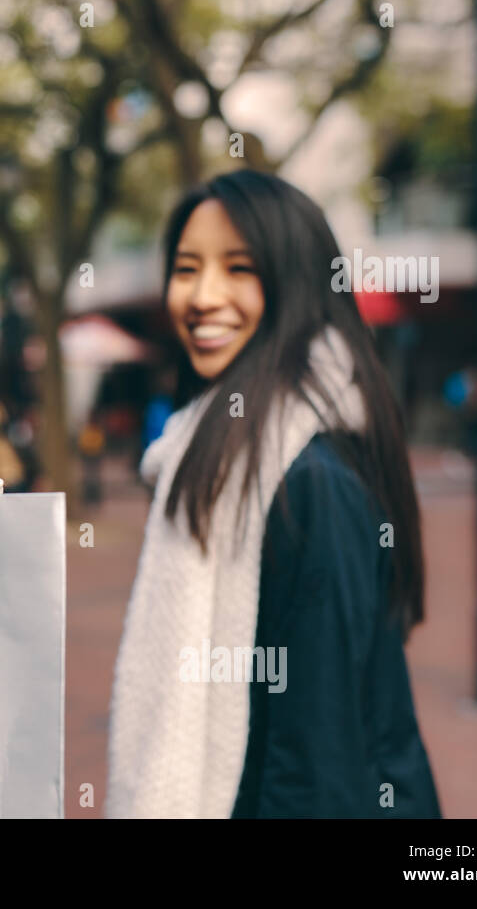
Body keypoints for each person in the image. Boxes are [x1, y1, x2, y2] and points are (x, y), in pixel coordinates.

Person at [107, 170, 441, 818]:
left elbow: (318, 766)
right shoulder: (205, 444)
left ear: (298, 285)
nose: (203, 296)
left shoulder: (307, 478)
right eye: (186, 268)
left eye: (240, 269)